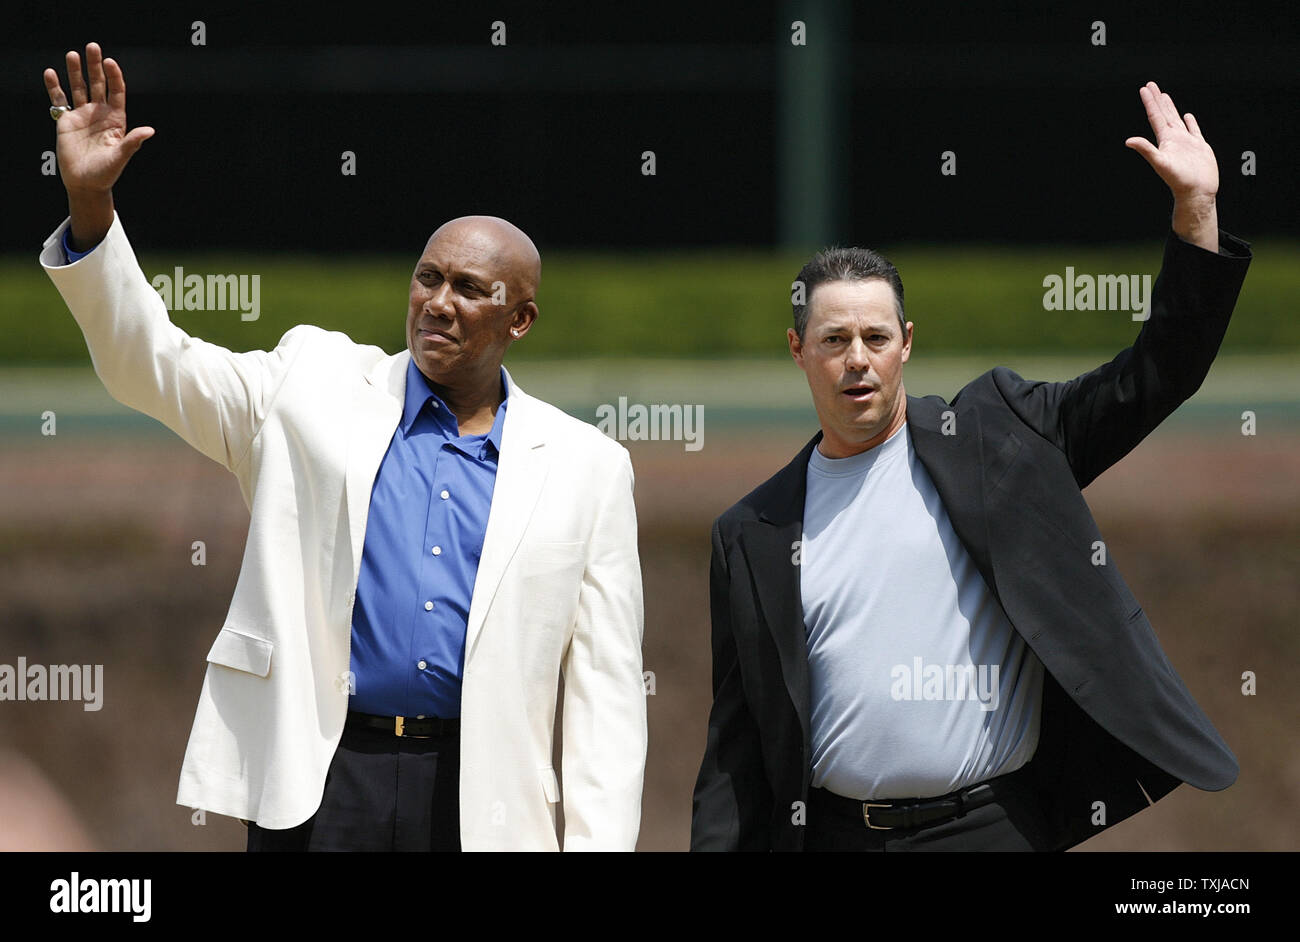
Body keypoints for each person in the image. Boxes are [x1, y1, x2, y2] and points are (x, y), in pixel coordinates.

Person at [40, 43, 647, 851]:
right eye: (427, 278)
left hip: (486, 799)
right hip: (321, 784)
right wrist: (92, 209)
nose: (437, 302)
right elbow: (151, 363)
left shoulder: (588, 470)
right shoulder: (312, 384)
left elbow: (607, 697)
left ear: (519, 319)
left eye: (469, 289)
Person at [691, 82, 1251, 851]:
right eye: (834, 340)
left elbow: (1159, 372)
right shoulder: (751, 530)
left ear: (907, 344)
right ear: (799, 351)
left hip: (994, 829)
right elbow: (737, 748)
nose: (858, 360)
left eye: (876, 338)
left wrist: (1196, 211)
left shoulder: (1001, 436)